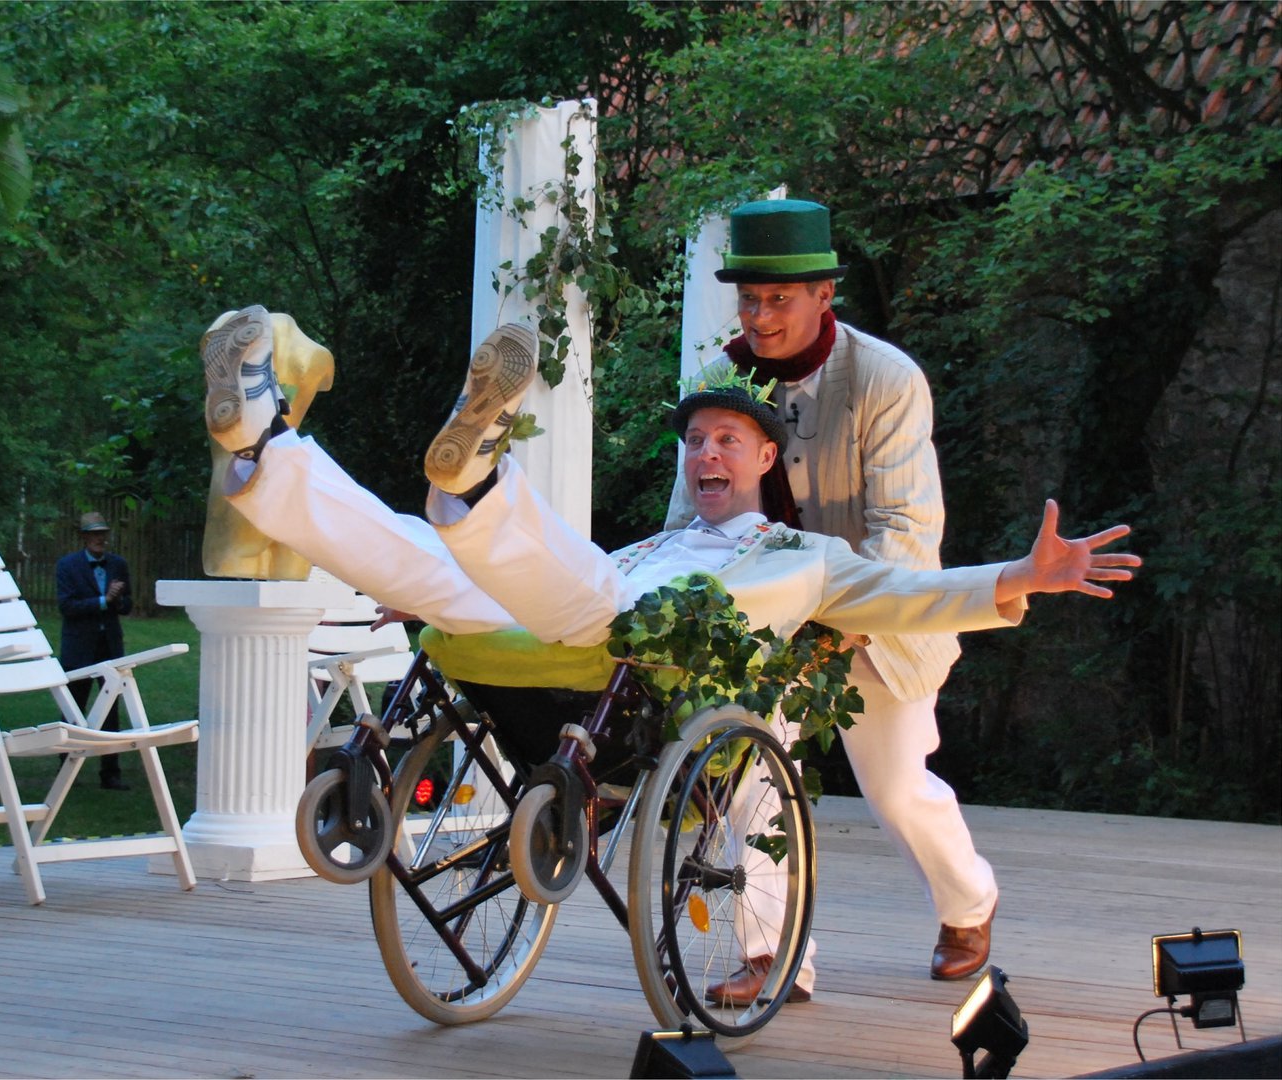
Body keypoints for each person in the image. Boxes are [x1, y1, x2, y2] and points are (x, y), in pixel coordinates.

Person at [199, 315, 1138, 997]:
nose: (704, 455)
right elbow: (552, 580)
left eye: (726, 440)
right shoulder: (653, 542)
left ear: (764, 460)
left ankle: (473, 484)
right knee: (433, 561)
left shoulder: (802, 556)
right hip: (570, 634)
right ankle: (265, 450)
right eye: (693, 442)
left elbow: (908, 593)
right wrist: (424, 595)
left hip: (645, 662)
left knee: (579, 592)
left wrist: (1022, 575)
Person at [664, 197, 1006, 993]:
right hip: (763, 619)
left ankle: (968, 901)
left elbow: (904, 530)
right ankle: (772, 955)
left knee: (895, 789)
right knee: (744, 772)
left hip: (878, 617)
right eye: (749, 299)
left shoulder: (885, 378)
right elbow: (689, 519)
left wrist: (838, 624)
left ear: (824, 295)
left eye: (778, 299)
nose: (759, 316)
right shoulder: (721, 379)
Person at [56, 511, 135, 790]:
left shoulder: (118, 564)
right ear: (84, 537)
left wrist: (117, 600)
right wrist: (103, 600)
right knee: (73, 707)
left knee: (111, 709)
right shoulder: (68, 565)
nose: (100, 538)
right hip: (79, 646)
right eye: (94, 534)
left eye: (102, 533)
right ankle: (66, 769)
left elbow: (127, 605)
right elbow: (67, 607)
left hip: (109, 645)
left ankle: (110, 773)